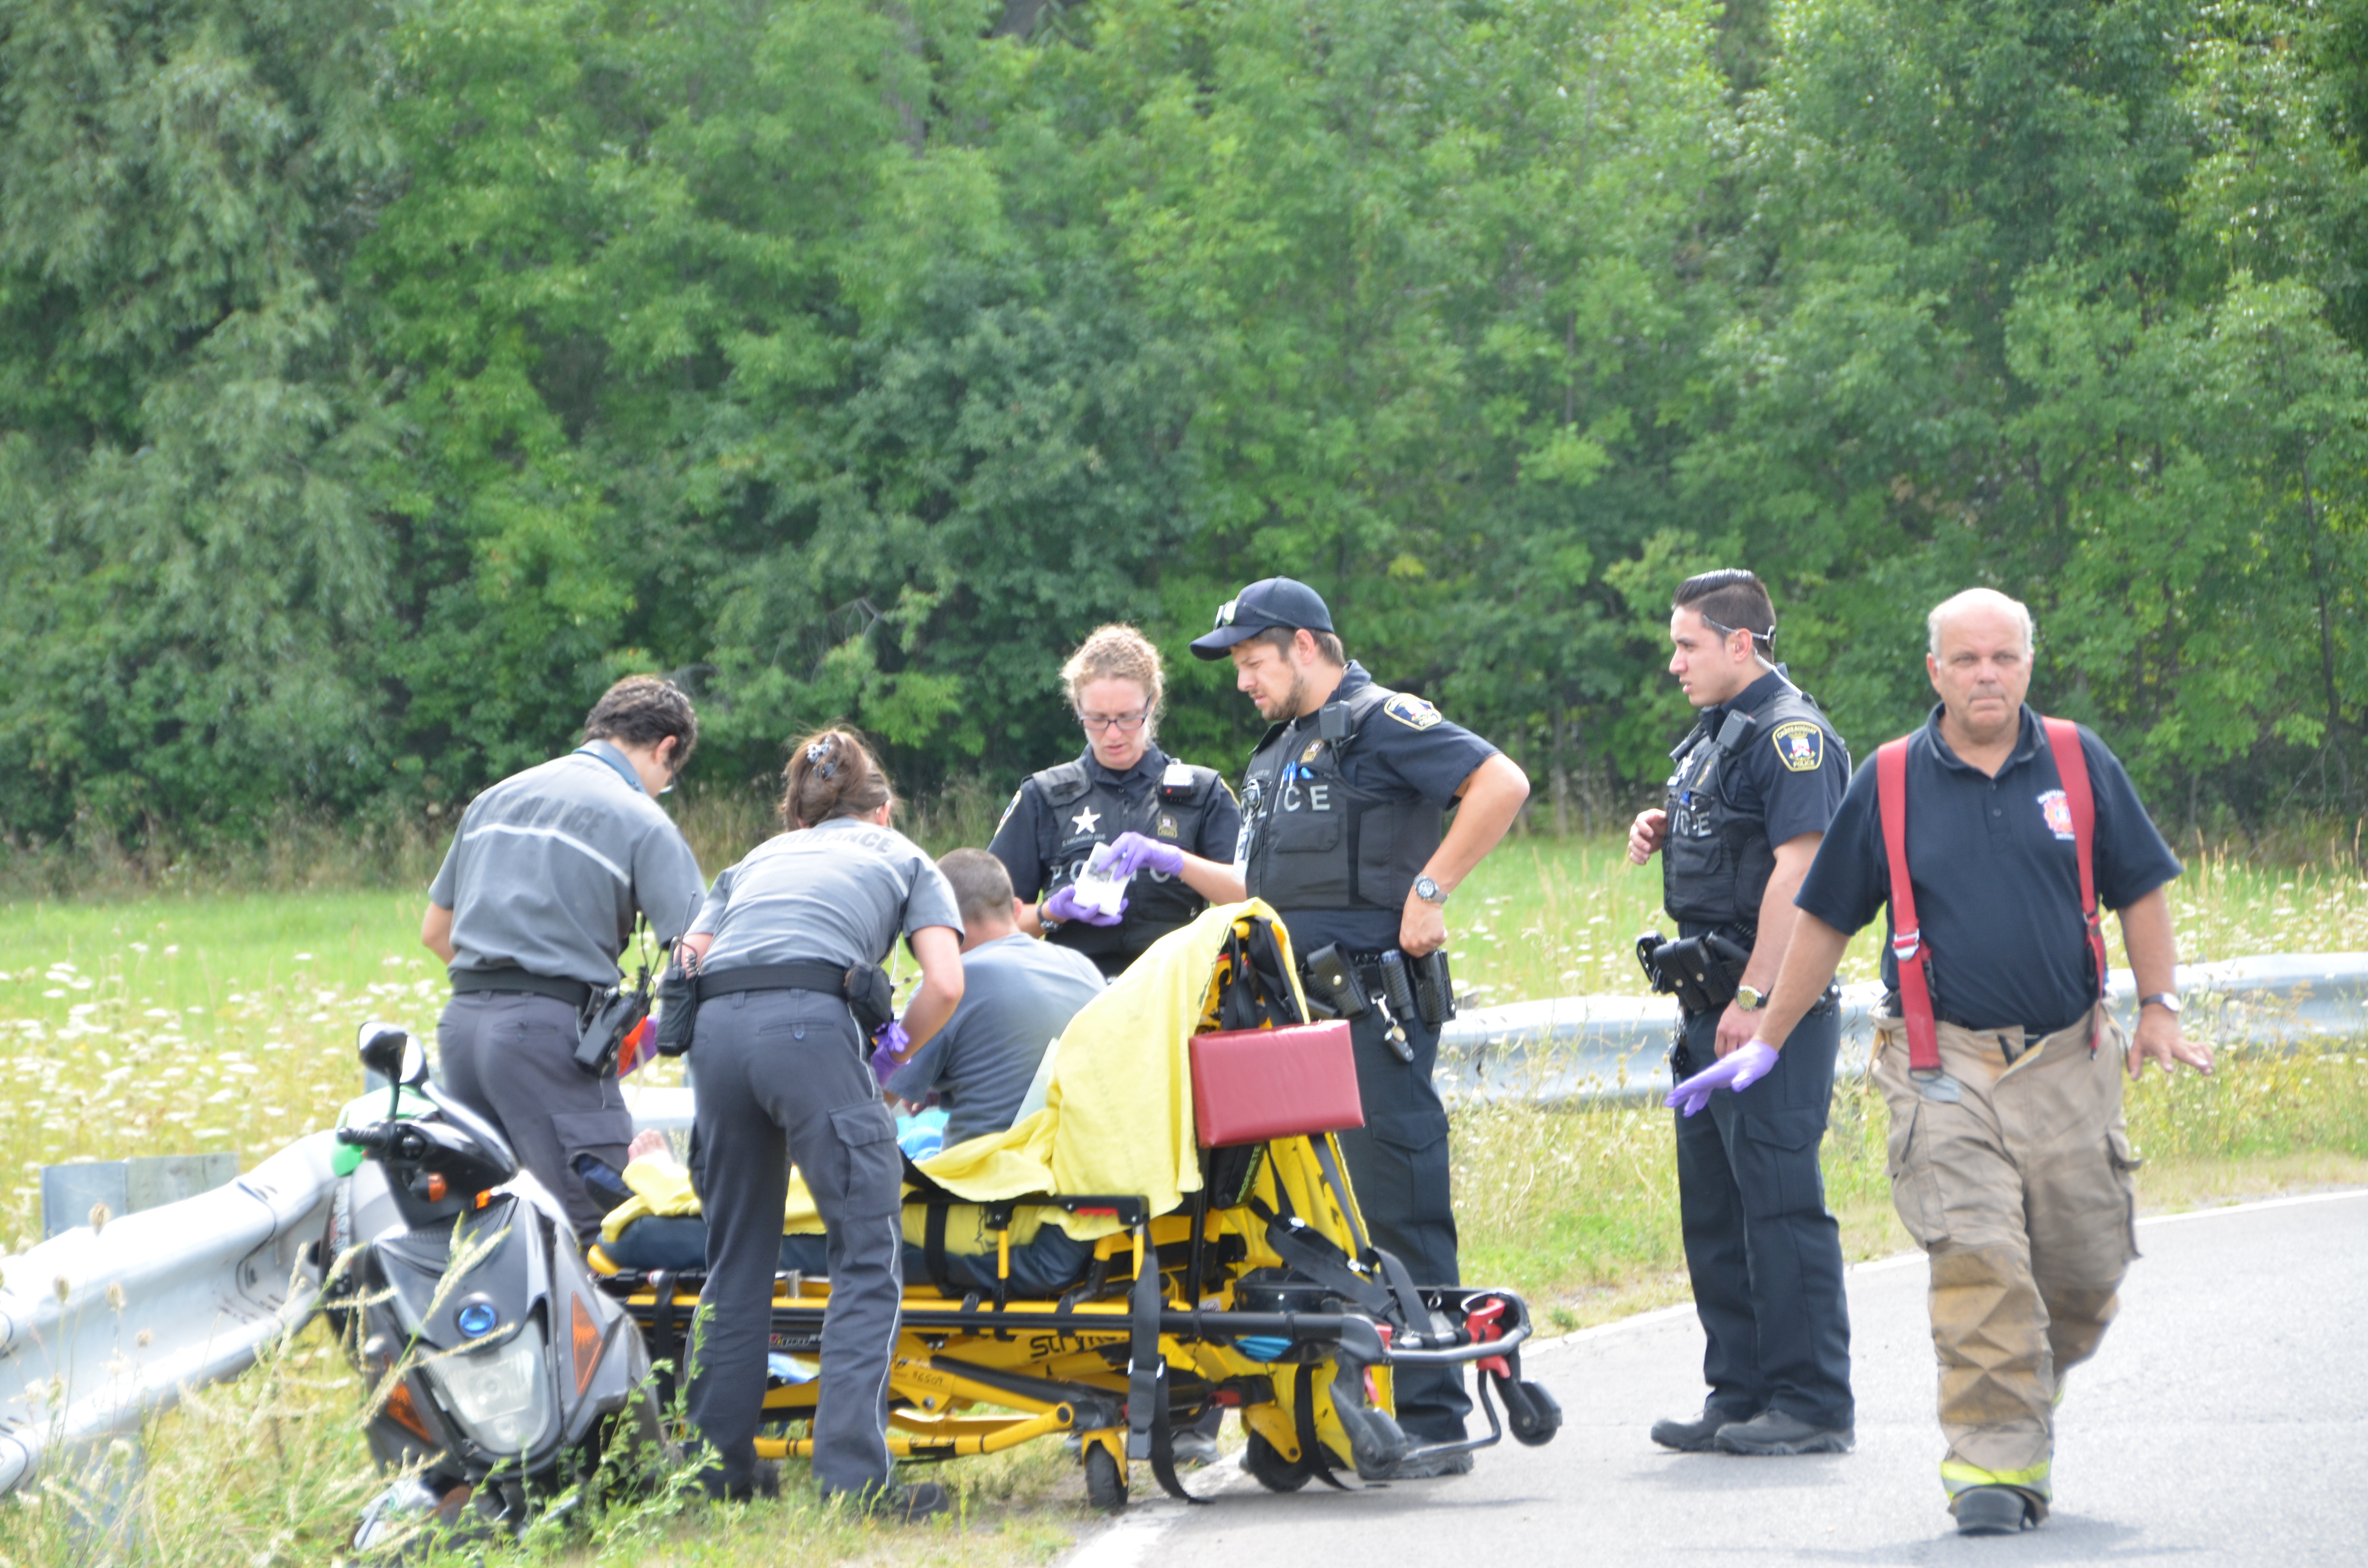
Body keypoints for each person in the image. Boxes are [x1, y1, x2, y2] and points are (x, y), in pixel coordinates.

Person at [1677, 588, 2213, 1537]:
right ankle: (1989, 1472)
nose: (1984, 675)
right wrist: (1767, 1034)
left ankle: (2016, 1386)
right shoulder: (1886, 781)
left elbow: (2141, 889)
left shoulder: (2081, 762)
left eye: (2001, 658)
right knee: (1979, 1263)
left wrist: (2161, 1008)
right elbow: (1824, 921)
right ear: (1934, 671)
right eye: (1965, 660)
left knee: (2082, 1274)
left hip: (2069, 1061)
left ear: (2026, 665)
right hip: (1941, 1064)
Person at [1191, 576, 1530, 1476]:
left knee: (1397, 1205)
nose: (1241, 682)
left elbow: (1500, 780)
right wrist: (1163, 866)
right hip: (1285, 1020)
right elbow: (1264, 885)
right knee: (1298, 1221)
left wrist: (1431, 888)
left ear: (1306, 644)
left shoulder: (1381, 719)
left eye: (1253, 662)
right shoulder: (1277, 752)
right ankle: (1316, 1417)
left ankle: (1430, 1413)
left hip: (1368, 1012)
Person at [673, 728, 966, 1517]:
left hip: (715, 1035)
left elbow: (688, 959)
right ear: (884, 808)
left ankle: (713, 1468)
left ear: (798, 816)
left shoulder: (756, 860)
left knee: (736, 1257)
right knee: (864, 1249)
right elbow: (944, 981)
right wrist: (885, 1055)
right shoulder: (903, 855)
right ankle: (853, 1479)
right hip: (808, 1026)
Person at [1626, 570, 1856, 1458]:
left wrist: (1757, 1002)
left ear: (1738, 643)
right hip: (1706, 1004)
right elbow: (1736, 838)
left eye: (1686, 643)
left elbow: (1799, 874)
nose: (1672, 659)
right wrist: (1662, 825)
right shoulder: (1714, 733)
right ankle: (1740, 1391)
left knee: (1779, 1204)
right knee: (1716, 1209)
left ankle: (1810, 1401)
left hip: (1767, 1013)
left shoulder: (1790, 733)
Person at [420, 674, 707, 1244]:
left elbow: (436, 931)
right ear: (666, 748)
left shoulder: (493, 798)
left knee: (481, 1227)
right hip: (547, 1037)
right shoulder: (639, 818)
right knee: (604, 1223)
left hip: (462, 1027)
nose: (660, 790)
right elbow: (698, 946)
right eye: (667, 779)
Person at [988, 624, 1245, 978]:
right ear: (1077, 706)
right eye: (1096, 719)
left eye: (1127, 718)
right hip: (1077, 994)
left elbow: (1252, 894)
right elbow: (987, 926)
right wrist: (1051, 912)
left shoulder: (1203, 792)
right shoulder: (1043, 796)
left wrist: (1176, 861)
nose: (1112, 734)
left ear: (1152, 701)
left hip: (1178, 991)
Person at [885, 849, 1106, 1151]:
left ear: (938, 924)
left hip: (987, 1178)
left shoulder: (946, 984)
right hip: (1077, 1164)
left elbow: (875, 1096)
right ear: (1016, 909)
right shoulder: (1083, 967)